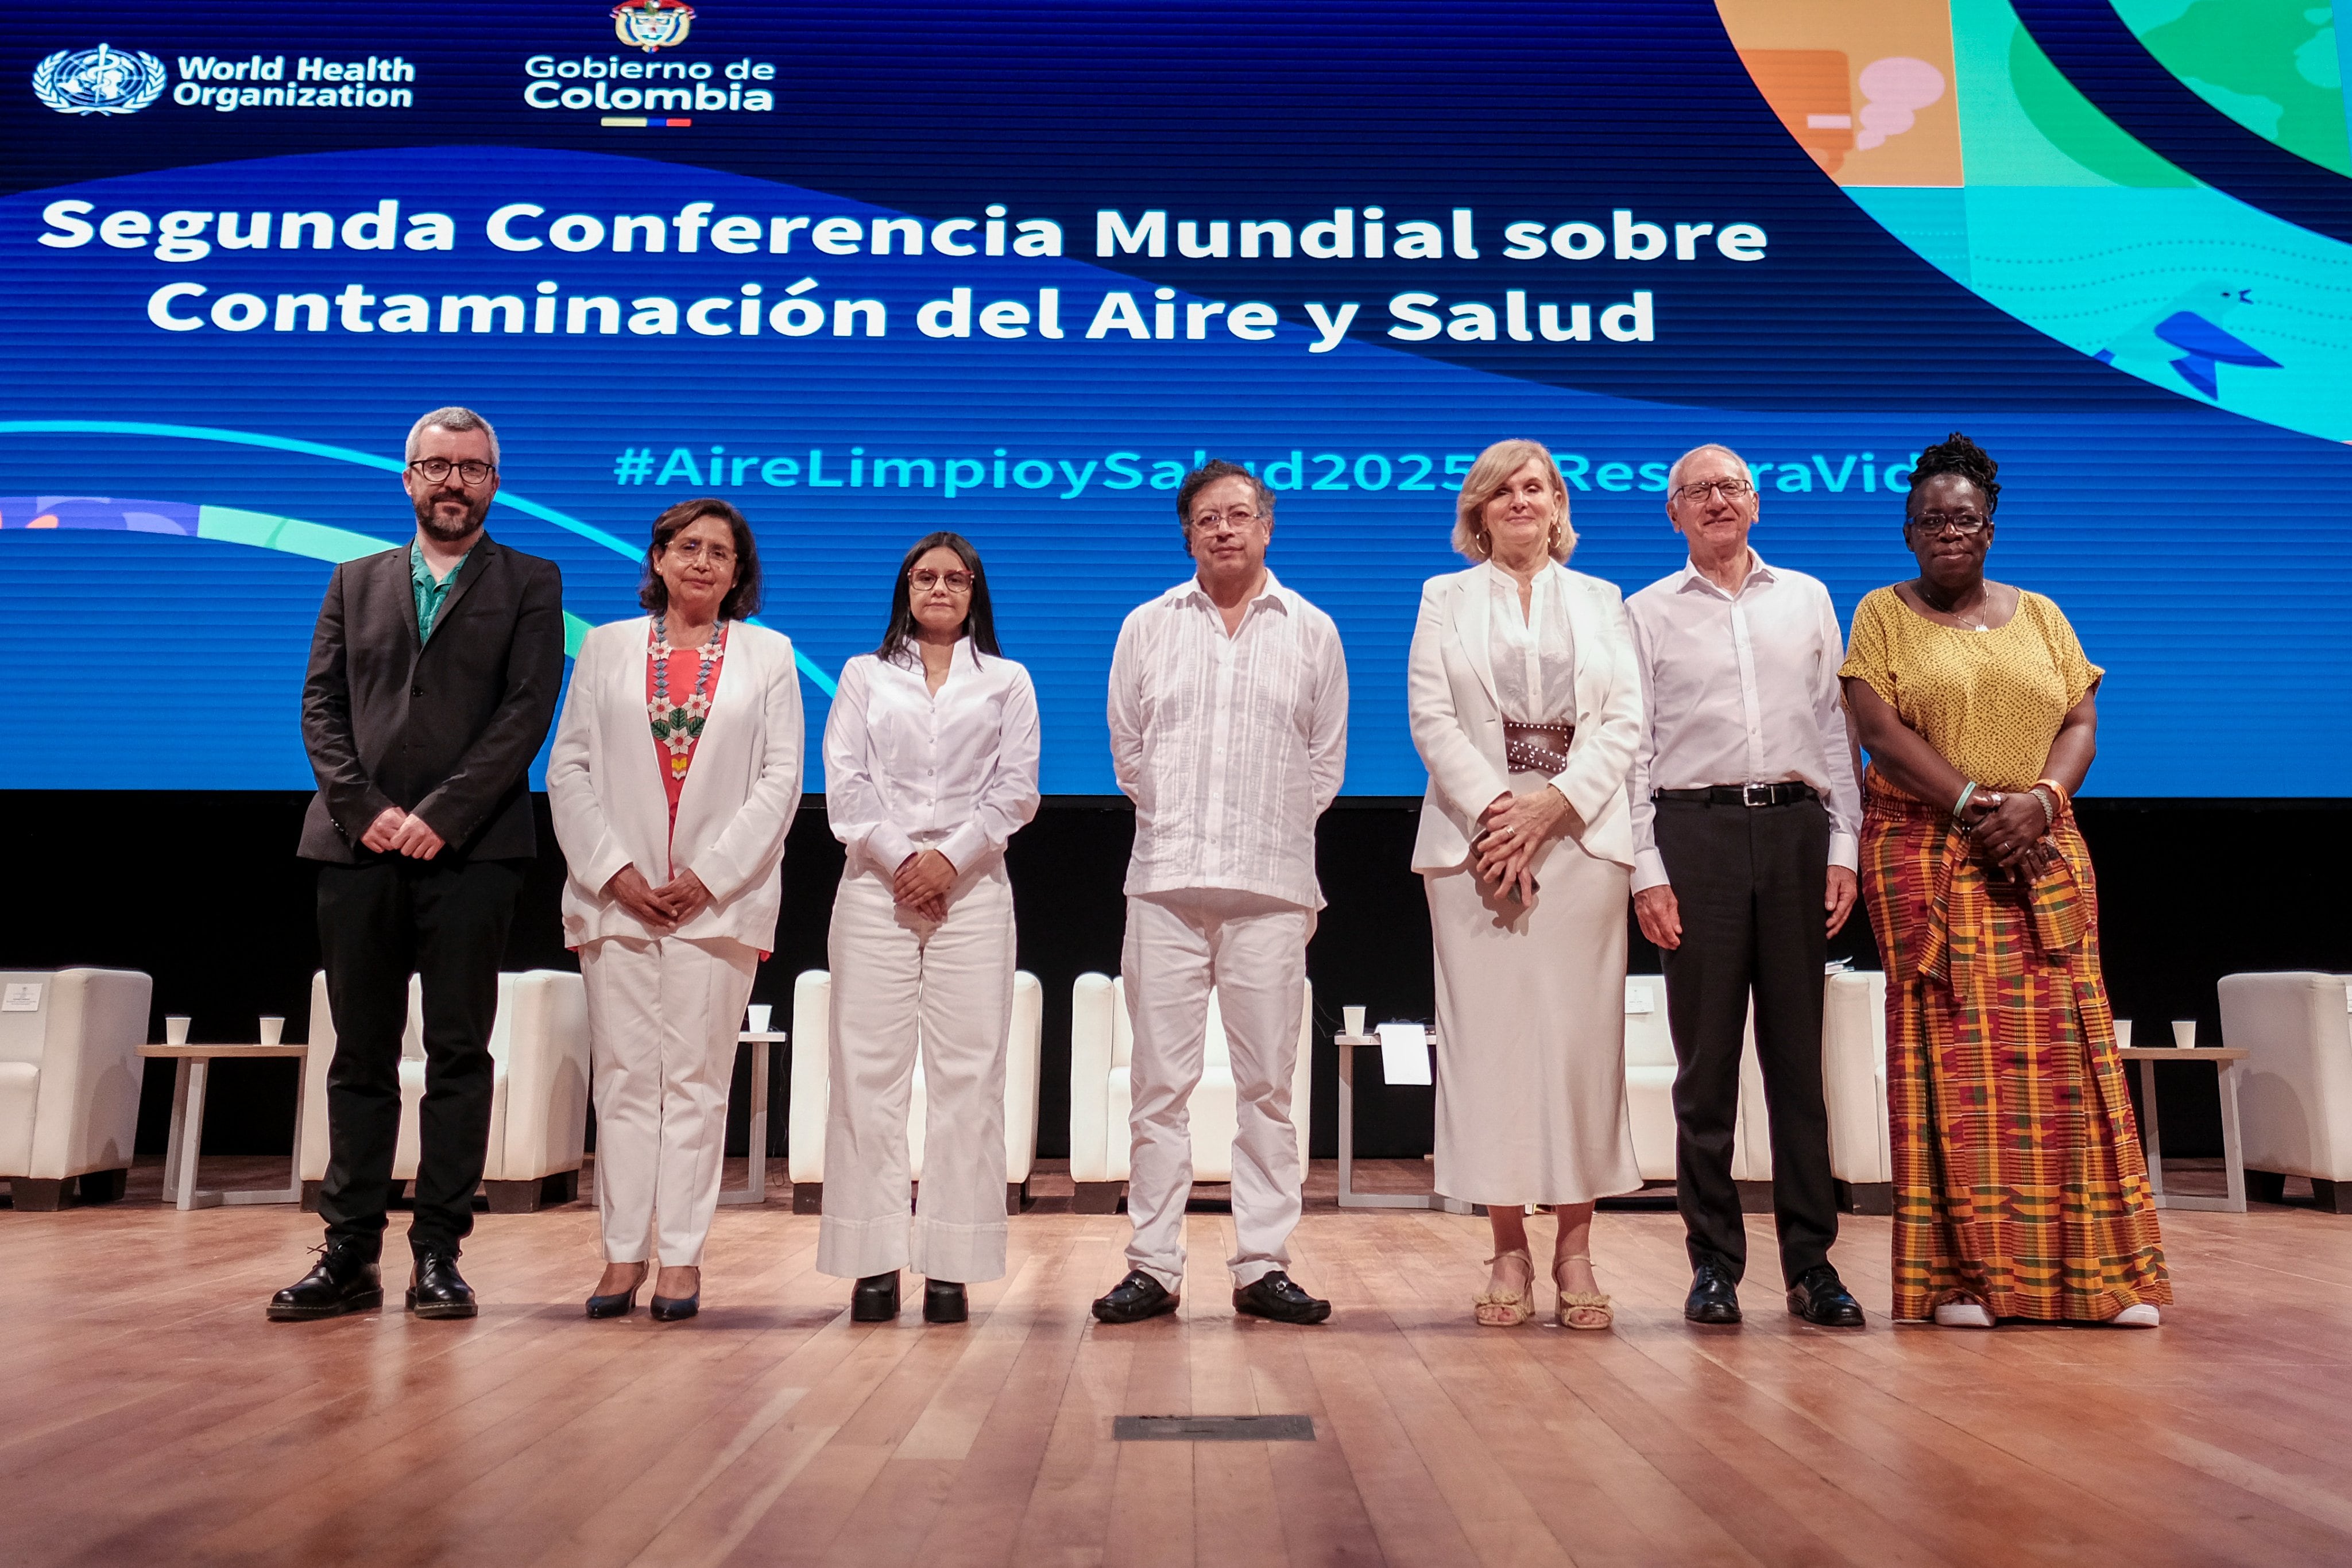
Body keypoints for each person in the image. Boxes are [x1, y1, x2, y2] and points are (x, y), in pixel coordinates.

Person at [1840, 432, 2167, 1329]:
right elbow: (1879, 730)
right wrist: (1981, 806)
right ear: (1909, 530)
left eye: (1965, 518)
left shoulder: (2044, 616)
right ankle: (1961, 1280)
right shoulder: (1882, 613)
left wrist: (2045, 803)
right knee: (1953, 1062)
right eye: (1931, 519)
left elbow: (2080, 720)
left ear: (1991, 528)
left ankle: (2099, 1278)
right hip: (1928, 851)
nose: (1949, 531)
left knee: (2071, 1056)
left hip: (2043, 849)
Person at [272, 407, 564, 1322]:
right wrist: (371, 814)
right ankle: (348, 1253)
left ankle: (439, 1251)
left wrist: (440, 816)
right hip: (356, 850)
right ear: (407, 478)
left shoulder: (531, 580)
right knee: (358, 1056)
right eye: (436, 467)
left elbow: (526, 713)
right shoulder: (352, 580)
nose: (453, 483)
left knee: (457, 1053)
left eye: (472, 469)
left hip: (473, 854)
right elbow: (322, 708)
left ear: (494, 481)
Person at [1093, 459, 1348, 1326]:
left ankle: (1263, 1263)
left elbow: (1325, 764)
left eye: (1240, 515)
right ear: (1188, 533)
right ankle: (1153, 1267)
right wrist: (1185, 819)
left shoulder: (1313, 629)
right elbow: (1129, 752)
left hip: (1273, 887)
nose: (1225, 530)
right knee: (1158, 1088)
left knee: (1267, 1089)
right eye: (1208, 518)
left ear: (1267, 527)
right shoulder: (1146, 625)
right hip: (1164, 883)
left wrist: (1262, 830)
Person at [1627, 444, 1869, 1330]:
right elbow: (1632, 752)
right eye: (1696, 491)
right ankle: (1714, 1266)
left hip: (1799, 830)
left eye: (1731, 487)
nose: (1717, 501)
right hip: (1696, 835)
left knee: (1800, 1067)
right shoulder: (1643, 612)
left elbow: (1835, 734)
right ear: (1674, 514)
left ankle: (1813, 1266)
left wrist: (1844, 845)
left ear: (1757, 505)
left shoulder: (1805, 597)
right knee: (1707, 1070)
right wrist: (1646, 869)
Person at [1407, 439, 1645, 1331]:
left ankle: (1576, 1249)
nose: (1520, 501)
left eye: (1535, 488)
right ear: (1478, 509)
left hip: (1580, 844)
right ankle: (1507, 1246)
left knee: (1580, 1049)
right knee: (1493, 1051)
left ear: (1558, 505)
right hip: (1475, 846)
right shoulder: (1444, 596)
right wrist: (1501, 815)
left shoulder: (1601, 599)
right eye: (1502, 489)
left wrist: (1552, 810)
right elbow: (1432, 717)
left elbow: (1623, 721)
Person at [548, 498, 804, 1322]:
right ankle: (622, 1254)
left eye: (720, 553)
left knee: (695, 1083)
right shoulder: (607, 646)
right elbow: (571, 769)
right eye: (687, 547)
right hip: (617, 901)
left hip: (716, 907)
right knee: (624, 1081)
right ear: (657, 559)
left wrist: (711, 876)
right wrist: (615, 872)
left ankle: (683, 1258)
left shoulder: (769, 654)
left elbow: (780, 781)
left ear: (739, 572)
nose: (702, 562)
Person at [819, 533, 1041, 1325]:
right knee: (866, 1077)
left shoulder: (1009, 680)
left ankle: (951, 1266)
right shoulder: (864, 675)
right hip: (875, 890)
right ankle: (872, 1263)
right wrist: (899, 859)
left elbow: (1017, 790)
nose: (940, 588)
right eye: (925, 577)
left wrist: (947, 861)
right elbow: (844, 785)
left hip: (974, 892)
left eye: (955, 578)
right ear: (905, 588)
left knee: (968, 1081)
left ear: (975, 590)